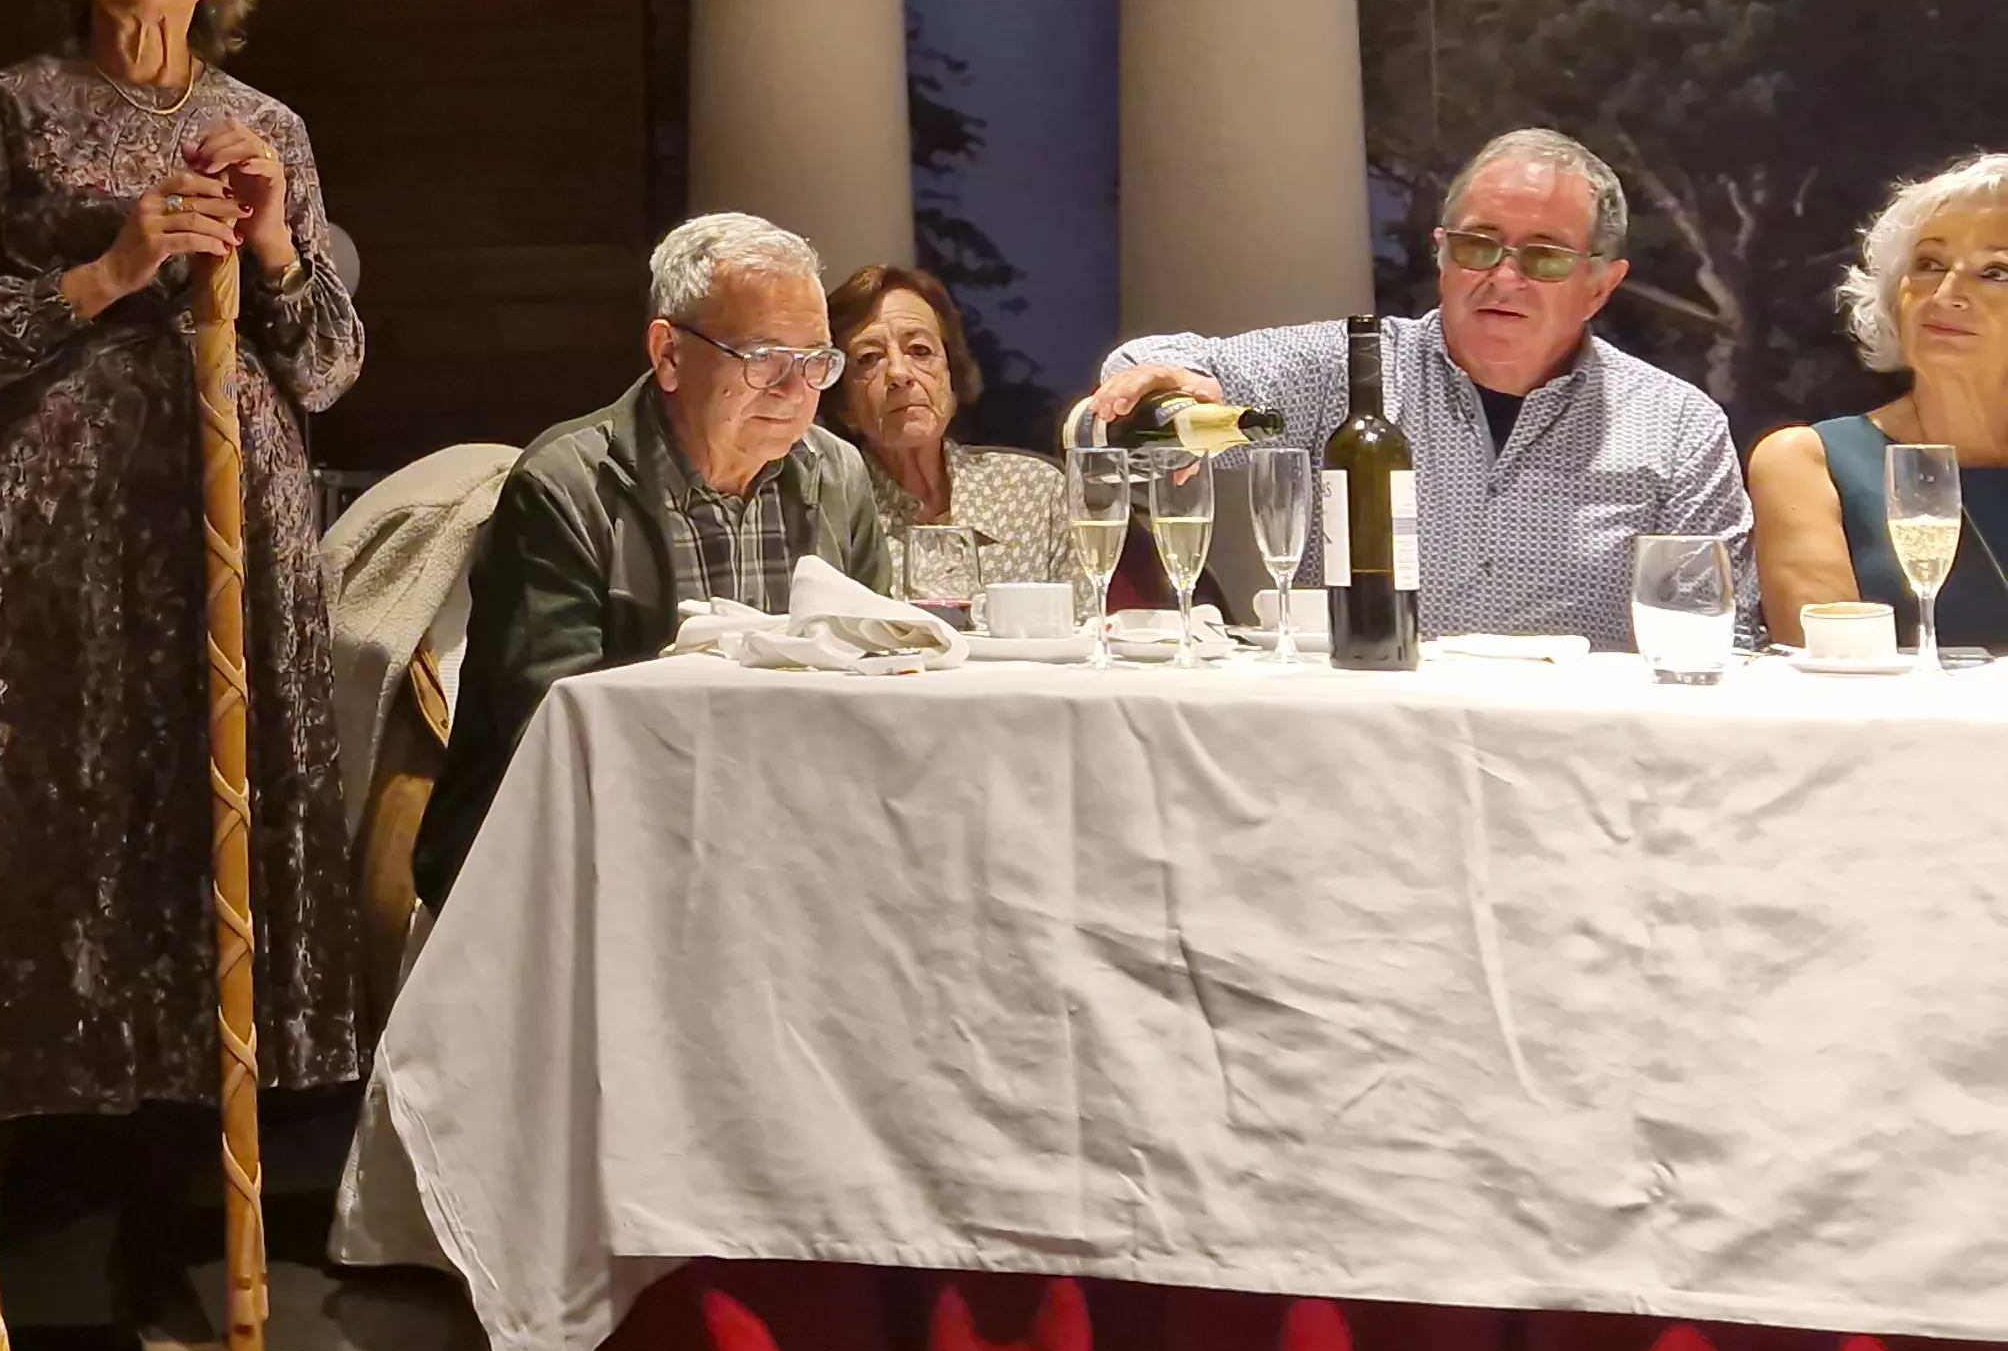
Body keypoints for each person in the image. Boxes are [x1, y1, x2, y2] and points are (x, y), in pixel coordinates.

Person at [0, 0, 364, 1351]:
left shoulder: (265, 124)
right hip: (60, 563)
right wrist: (104, 273)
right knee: (34, 878)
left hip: (233, 553)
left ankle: (167, 1268)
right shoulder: (6, 111)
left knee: (200, 878)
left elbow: (332, 364)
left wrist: (278, 242)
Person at [1085, 127, 1750, 649]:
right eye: (1477, 246)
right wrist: (1175, 391)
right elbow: (1145, 370)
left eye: (1543, 256)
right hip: (1370, 745)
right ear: (1441, 256)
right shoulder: (1342, 371)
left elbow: (1720, 633)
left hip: (1580, 763)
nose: (1503, 278)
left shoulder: (1678, 427)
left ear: (1601, 286)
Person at [413, 212, 893, 903]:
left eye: (817, 361)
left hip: (789, 844)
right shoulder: (569, 486)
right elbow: (548, 740)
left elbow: (879, 684)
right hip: (583, 861)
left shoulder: (838, 476)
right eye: (765, 361)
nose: (797, 392)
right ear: (670, 354)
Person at [1751, 151, 2008, 653]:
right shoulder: (1808, 461)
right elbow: (1835, 674)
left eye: (1996, 271)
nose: (1947, 292)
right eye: (1929, 264)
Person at [828, 263, 1071, 589]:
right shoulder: (833, 514)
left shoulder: (1037, 492)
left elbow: (1084, 629)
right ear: (846, 406)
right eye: (869, 358)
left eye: (920, 350)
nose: (899, 373)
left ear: (951, 379)